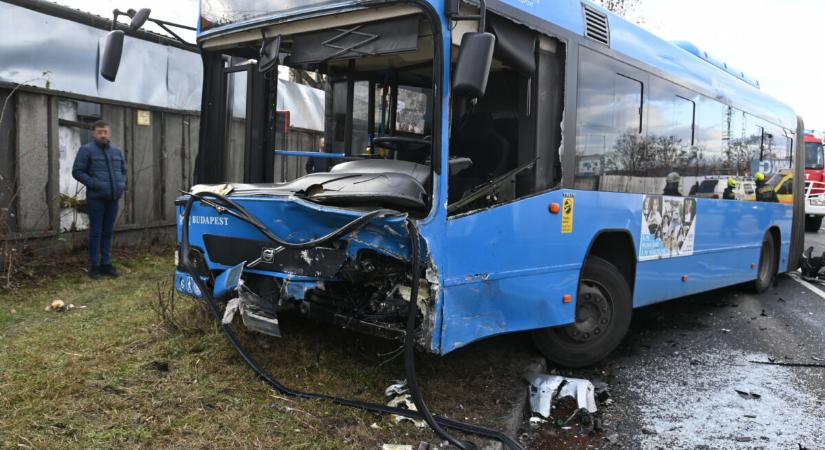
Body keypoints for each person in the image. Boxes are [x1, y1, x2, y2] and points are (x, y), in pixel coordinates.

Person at [72, 121, 127, 279]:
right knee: (96, 232)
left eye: (105, 132)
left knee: (108, 232)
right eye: (99, 132)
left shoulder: (116, 151)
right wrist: (93, 184)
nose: (103, 135)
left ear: (109, 133)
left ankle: (106, 264)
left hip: (113, 198)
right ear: (93, 133)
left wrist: (122, 184)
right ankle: (94, 266)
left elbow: (124, 171)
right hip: (96, 198)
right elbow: (77, 171)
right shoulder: (86, 150)